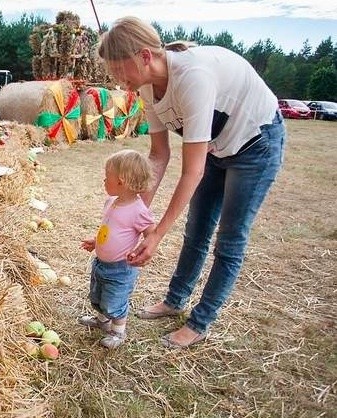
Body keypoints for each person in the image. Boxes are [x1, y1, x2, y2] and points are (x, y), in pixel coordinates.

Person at [97, 17, 286, 348]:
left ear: (144, 56)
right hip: (216, 145)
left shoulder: (193, 78)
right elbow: (158, 156)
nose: (117, 80)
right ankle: (175, 300)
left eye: (119, 70)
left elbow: (191, 171)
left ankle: (201, 321)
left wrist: (155, 234)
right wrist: (136, 211)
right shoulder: (146, 86)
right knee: (196, 229)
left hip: (256, 142)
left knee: (229, 238)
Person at [79, 150, 155, 349]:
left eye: (107, 177)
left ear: (121, 181)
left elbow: (151, 234)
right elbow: (109, 229)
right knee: (98, 295)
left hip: (121, 268)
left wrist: (141, 251)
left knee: (115, 301)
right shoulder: (111, 202)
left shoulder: (138, 211)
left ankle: (118, 332)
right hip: (101, 263)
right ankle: (102, 322)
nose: (104, 180)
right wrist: (96, 242)